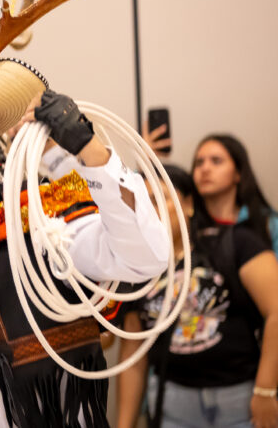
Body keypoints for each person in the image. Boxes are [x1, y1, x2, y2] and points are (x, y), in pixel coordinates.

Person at [117, 164, 278, 428]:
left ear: (189, 204)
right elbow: (133, 354)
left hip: (240, 400)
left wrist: (266, 389)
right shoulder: (134, 270)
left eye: (160, 199)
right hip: (173, 404)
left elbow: (276, 312)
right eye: (142, 203)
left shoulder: (236, 243)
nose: (151, 211)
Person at [193, 134, 278, 255]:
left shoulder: (270, 224)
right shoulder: (186, 225)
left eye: (216, 161)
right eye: (199, 163)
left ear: (238, 173)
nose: (205, 169)